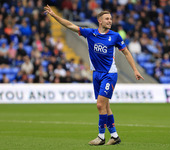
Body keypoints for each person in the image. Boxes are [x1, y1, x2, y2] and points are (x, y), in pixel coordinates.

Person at [44, 5, 144, 146]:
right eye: (107, 19)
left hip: (109, 74)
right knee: (105, 106)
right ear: (100, 21)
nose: (110, 21)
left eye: (111, 18)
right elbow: (70, 25)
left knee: (99, 105)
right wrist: (54, 15)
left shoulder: (115, 36)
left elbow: (126, 52)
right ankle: (114, 136)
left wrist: (135, 70)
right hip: (96, 74)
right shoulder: (90, 33)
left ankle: (101, 137)